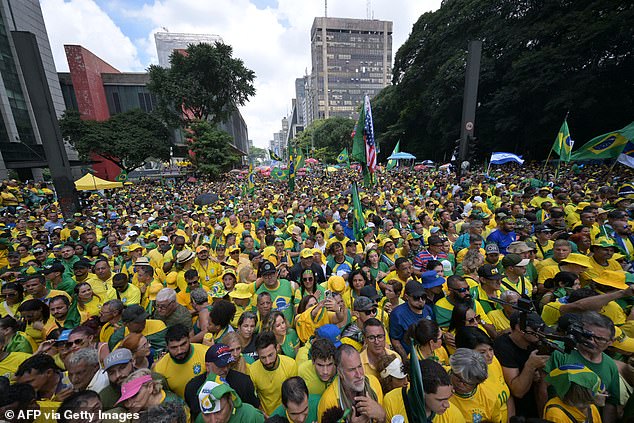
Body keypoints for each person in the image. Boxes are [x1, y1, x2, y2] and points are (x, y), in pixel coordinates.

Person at [545, 312, 620, 423]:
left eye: (598, 339)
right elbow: (542, 388)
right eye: (587, 335)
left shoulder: (610, 366)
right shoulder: (560, 351)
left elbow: (611, 403)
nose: (590, 341)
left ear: (610, 342)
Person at [493, 312, 550, 418]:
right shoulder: (503, 347)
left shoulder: (535, 342)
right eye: (536, 330)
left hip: (533, 405)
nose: (540, 334)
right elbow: (518, 391)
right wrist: (530, 366)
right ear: (520, 328)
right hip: (517, 411)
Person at [184, 343, 260, 420]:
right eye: (220, 365)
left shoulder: (243, 383)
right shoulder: (193, 388)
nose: (225, 369)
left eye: (227, 364)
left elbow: (255, 410)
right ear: (207, 366)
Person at [455, 326, 515, 422]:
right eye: (482, 352)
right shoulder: (461, 379)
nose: (489, 355)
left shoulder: (493, 361)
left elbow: (508, 397)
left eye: (490, 349)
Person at [317, 344, 385, 423]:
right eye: (352, 370)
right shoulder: (329, 401)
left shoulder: (373, 383)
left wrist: (382, 416)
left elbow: (382, 419)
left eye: (359, 366)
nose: (359, 375)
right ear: (340, 373)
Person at [383, 358, 465, 423]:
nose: (447, 405)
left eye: (448, 398)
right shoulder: (391, 400)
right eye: (440, 400)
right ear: (420, 392)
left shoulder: (454, 416)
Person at [153, 323, 208, 398]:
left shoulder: (205, 353)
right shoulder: (160, 369)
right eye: (174, 347)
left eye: (183, 344)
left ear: (189, 340)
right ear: (167, 347)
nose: (179, 351)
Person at [249, 331, 298, 415]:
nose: (268, 361)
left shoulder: (290, 365)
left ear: (277, 348)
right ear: (257, 353)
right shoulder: (252, 370)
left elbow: (293, 395)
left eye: (270, 355)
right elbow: (252, 397)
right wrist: (263, 413)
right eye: (263, 357)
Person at [448, 348, 502, 423]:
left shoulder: (489, 399)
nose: (461, 384)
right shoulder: (438, 376)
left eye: (467, 383)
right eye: (459, 378)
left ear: (478, 382)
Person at [390, 280, 432, 360]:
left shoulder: (428, 309)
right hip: (411, 355)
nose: (421, 301)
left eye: (423, 297)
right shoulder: (397, 314)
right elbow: (395, 341)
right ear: (406, 297)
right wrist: (406, 359)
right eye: (416, 298)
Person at [115, 368, 186, 414]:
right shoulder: (143, 407)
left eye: (134, 395)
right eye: (126, 399)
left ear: (150, 387)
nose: (129, 404)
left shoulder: (173, 407)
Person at [196, 380, 265, 423]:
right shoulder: (200, 419)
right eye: (206, 415)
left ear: (230, 400)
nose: (213, 421)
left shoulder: (251, 416)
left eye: (218, 412)